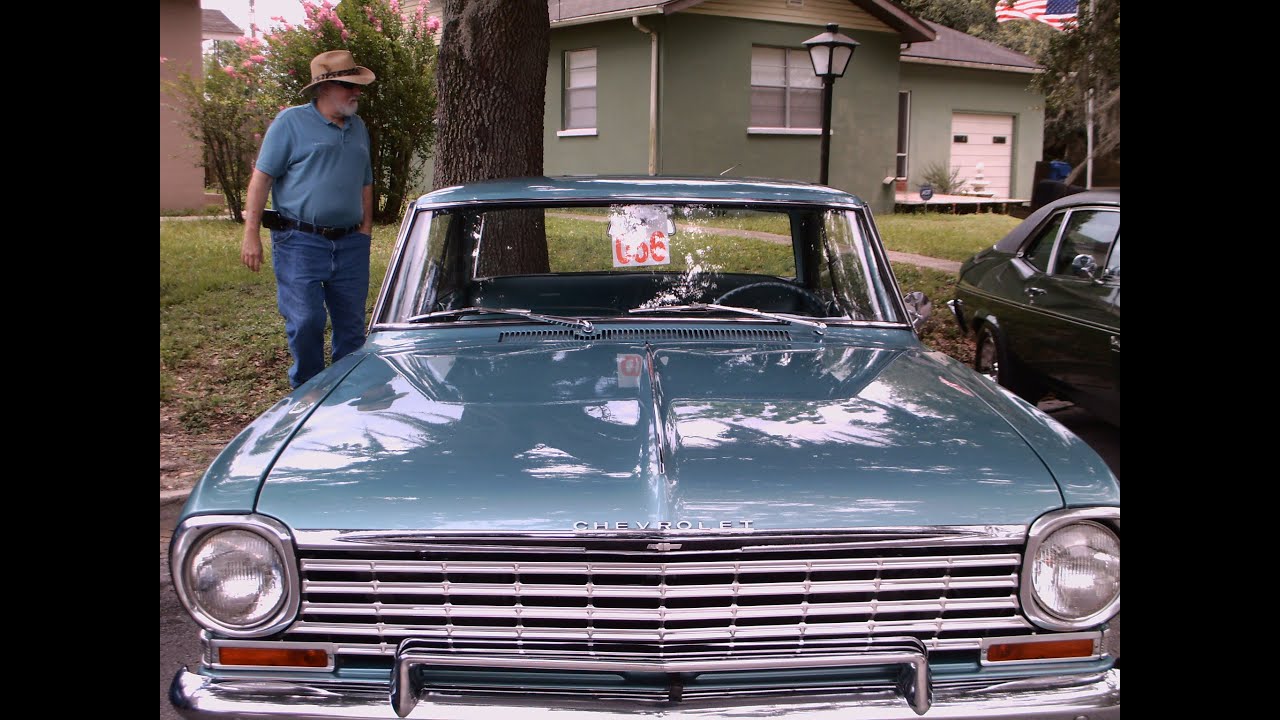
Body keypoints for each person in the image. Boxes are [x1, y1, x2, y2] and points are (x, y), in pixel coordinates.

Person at [241, 50, 376, 389]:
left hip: (351, 243)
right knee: (306, 321)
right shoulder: (290, 123)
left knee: (351, 327)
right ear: (324, 87)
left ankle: (345, 394)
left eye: (357, 86)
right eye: (348, 85)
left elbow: (366, 182)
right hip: (300, 241)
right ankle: (308, 393)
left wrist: (365, 230)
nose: (356, 92)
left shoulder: (358, 127)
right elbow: (261, 179)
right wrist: (251, 234)